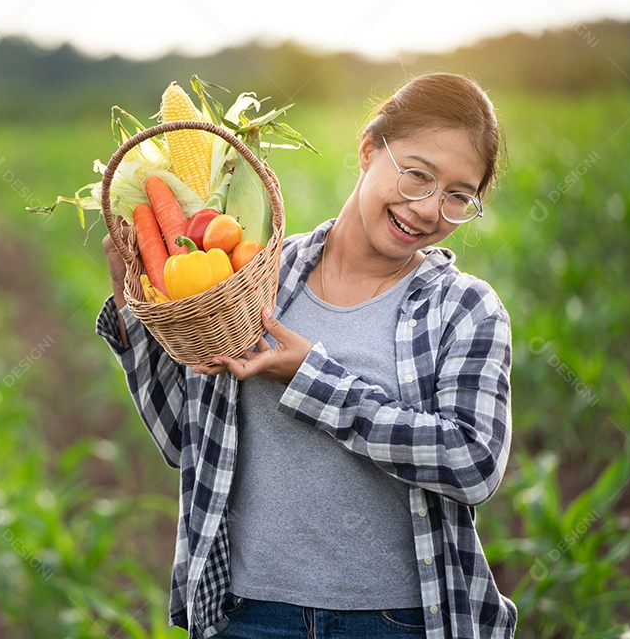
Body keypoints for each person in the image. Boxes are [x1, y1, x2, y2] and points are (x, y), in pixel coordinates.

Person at [97, 72, 516, 639]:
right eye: (418, 175)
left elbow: (474, 463)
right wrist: (135, 313)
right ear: (369, 149)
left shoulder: (463, 308)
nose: (427, 208)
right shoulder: (254, 279)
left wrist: (314, 381)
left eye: (458, 196)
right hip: (250, 615)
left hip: (401, 622)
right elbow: (185, 443)